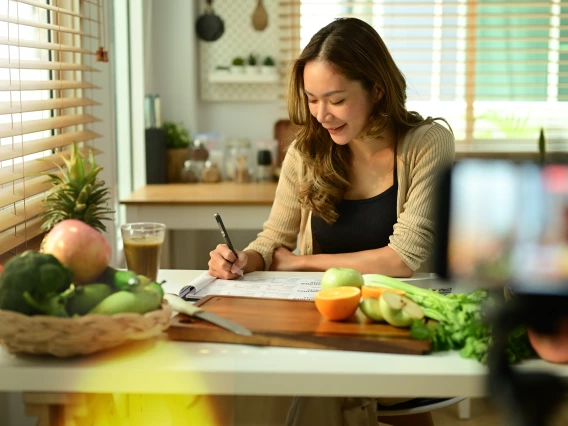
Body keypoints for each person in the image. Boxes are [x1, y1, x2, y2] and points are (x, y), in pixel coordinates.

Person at [208, 17, 455, 426]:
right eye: (312, 99)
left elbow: (402, 259)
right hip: (322, 324)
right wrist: (242, 260)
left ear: (377, 89)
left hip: (397, 324)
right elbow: (274, 239)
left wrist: (301, 263)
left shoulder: (427, 144)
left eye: (336, 99)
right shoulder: (305, 153)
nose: (321, 114)